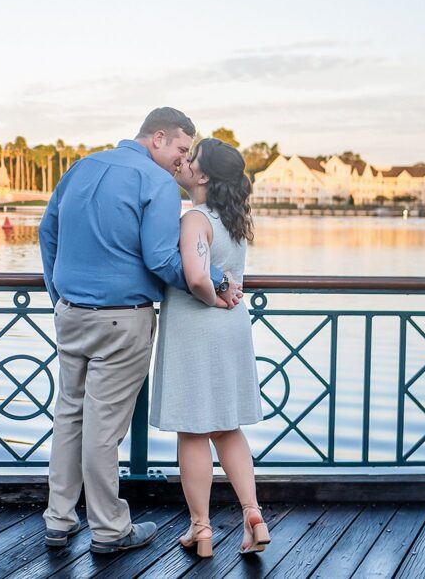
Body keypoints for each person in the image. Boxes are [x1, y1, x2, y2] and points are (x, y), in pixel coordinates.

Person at [38, 107, 238, 554]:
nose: (182, 162)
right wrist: (218, 280)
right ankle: (109, 529)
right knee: (103, 430)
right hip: (122, 319)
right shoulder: (157, 184)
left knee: (70, 416)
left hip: (70, 314)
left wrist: (59, 295)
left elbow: (46, 231)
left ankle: (58, 519)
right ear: (159, 138)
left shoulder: (81, 167)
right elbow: (161, 259)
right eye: (181, 150)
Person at [150, 137, 268, 557]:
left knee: (194, 430)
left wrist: (211, 298)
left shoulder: (195, 219)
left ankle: (201, 528)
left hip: (197, 328)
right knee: (227, 427)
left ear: (201, 176)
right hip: (232, 329)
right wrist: (224, 301)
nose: (183, 162)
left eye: (191, 158)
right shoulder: (234, 219)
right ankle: (252, 514)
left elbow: (198, 277)